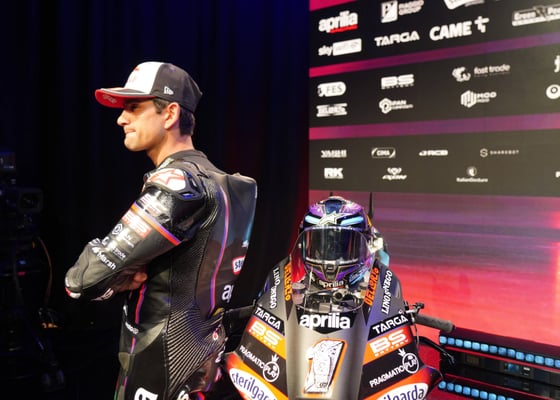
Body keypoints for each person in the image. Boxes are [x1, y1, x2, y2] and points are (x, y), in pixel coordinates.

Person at [64, 61, 257, 400]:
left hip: (158, 367)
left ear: (169, 114)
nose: (121, 119)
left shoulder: (178, 184)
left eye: (133, 108)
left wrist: (116, 275)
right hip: (203, 357)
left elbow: (82, 281)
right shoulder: (227, 182)